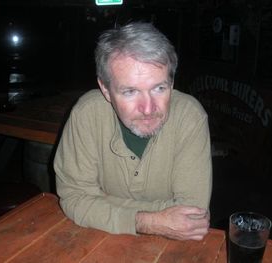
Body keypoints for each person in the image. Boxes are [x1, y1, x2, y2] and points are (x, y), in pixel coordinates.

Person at [54, 21, 212, 241]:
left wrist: (100, 201)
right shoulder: (86, 113)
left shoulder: (190, 116)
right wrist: (150, 221)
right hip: (99, 240)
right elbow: (74, 198)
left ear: (172, 83)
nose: (148, 109)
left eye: (159, 88)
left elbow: (192, 215)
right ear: (106, 90)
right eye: (130, 92)